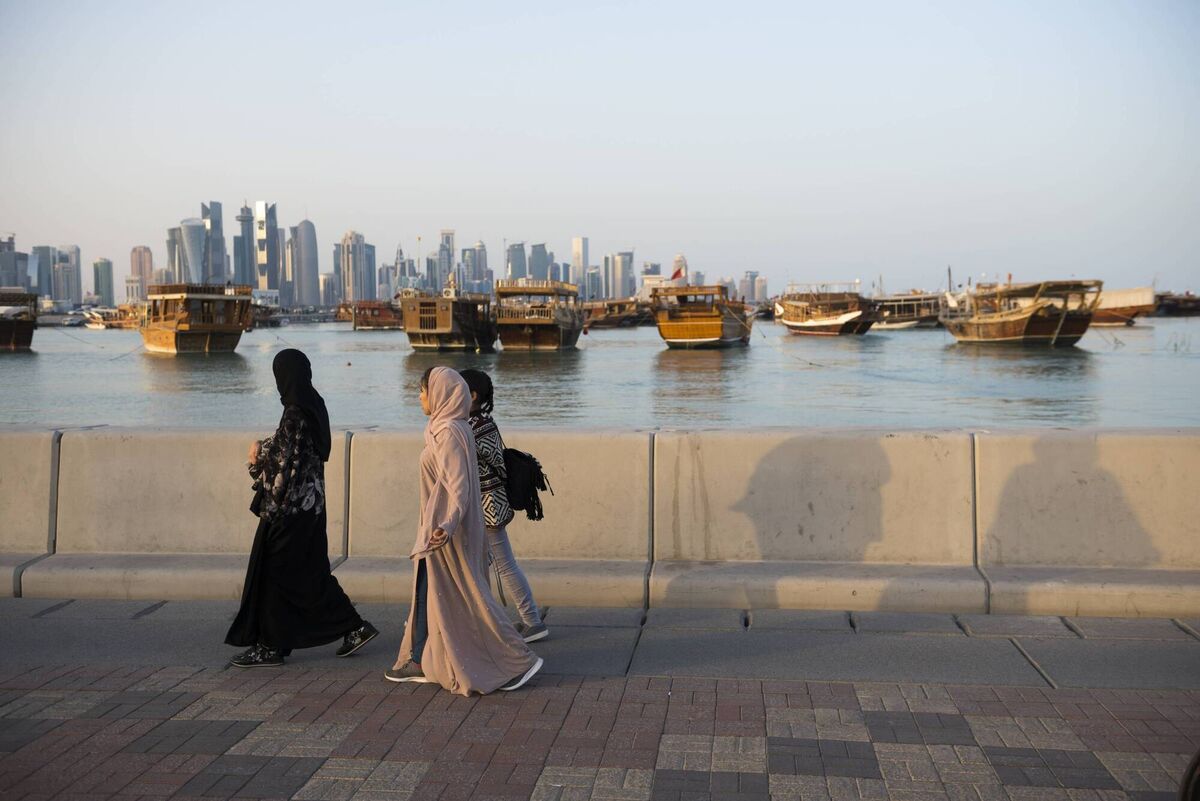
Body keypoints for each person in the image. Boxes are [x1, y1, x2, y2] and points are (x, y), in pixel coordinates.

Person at [386, 366, 543, 694]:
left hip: (448, 531)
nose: (419, 397)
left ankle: (517, 659)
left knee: (469, 595)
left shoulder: (450, 433)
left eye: (423, 390)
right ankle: (423, 657)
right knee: (438, 596)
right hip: (439, 528)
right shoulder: (440, 429)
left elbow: (458, 488)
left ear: (441, 394)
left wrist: (446, 524)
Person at [225, 349, 378, 667]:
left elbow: (283, 469)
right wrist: (268, 446)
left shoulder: (294, 412)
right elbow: (295, 448)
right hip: (312, 509)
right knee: (311, 574)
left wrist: (256, 462)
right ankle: (354, 628)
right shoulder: (313, 406)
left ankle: (270, 646)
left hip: (289, 512)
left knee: (272, 576)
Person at [458, 368, 548, 643]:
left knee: (502, 565)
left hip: (487, 504)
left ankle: (530, 620)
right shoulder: (482, 421)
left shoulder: (473, 427)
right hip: (490, 502)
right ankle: (513, 619)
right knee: (488, 565)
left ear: (472, 396)